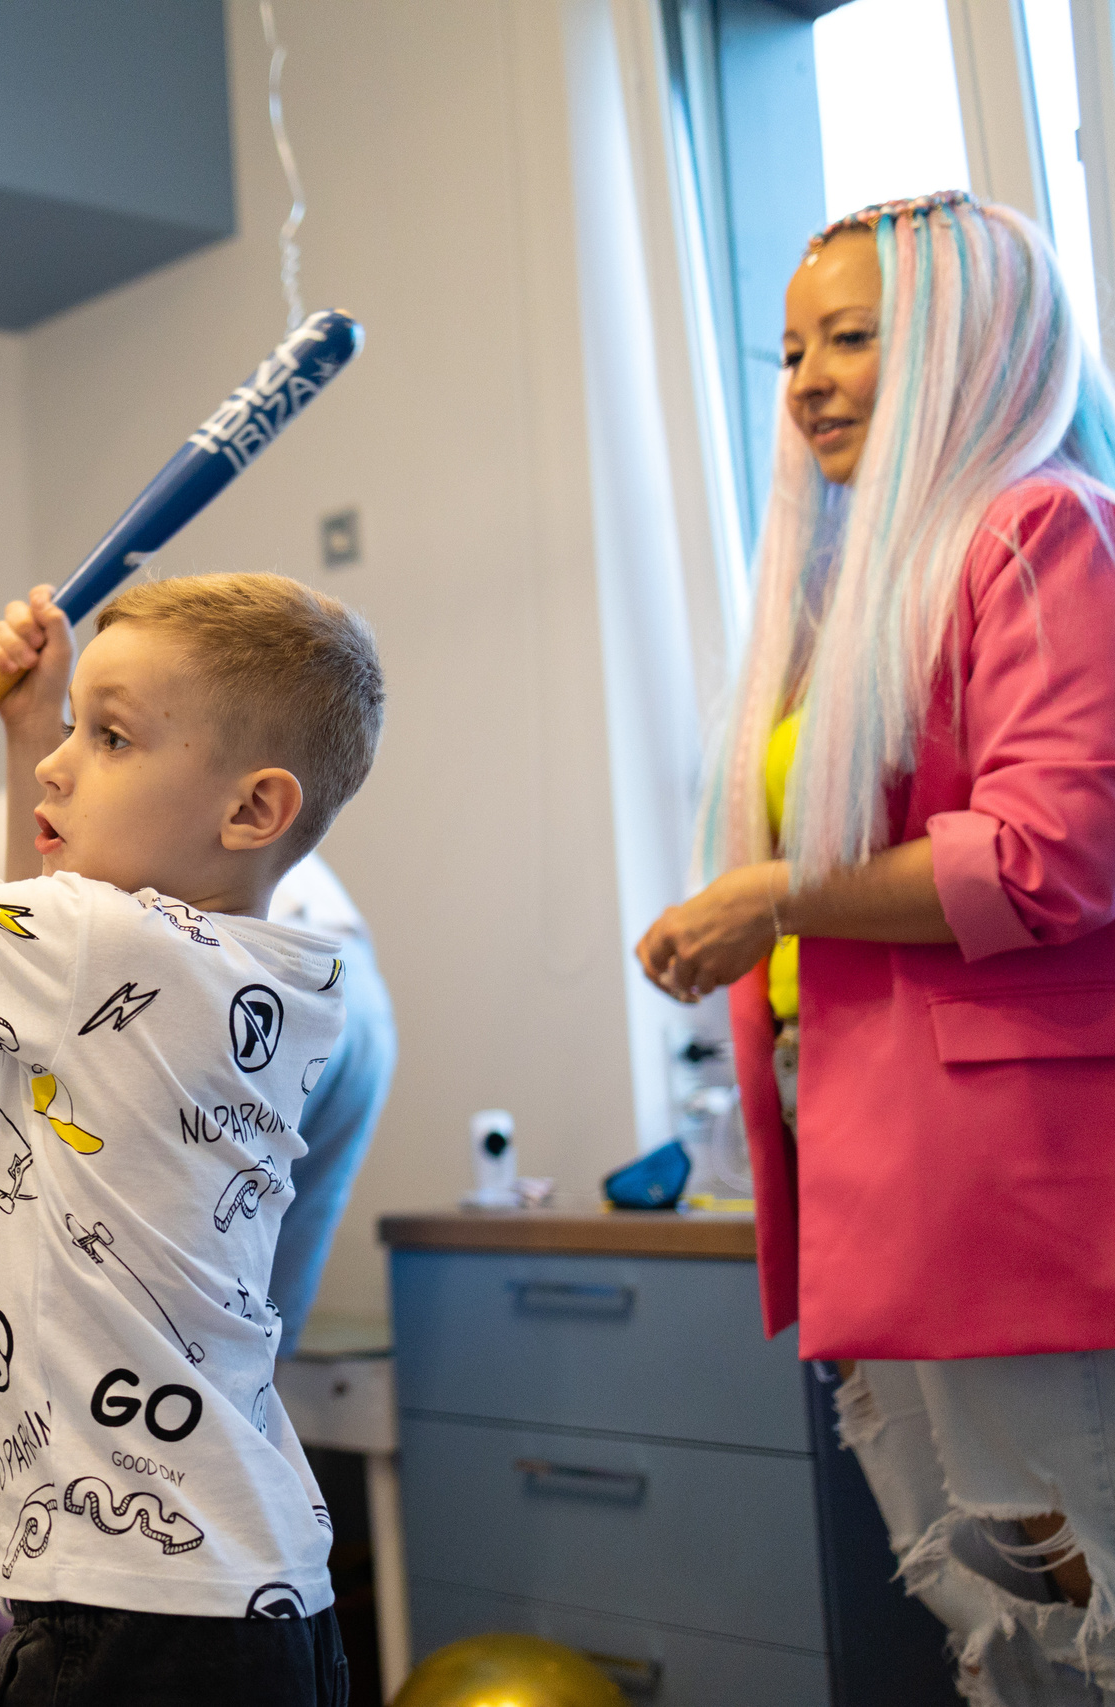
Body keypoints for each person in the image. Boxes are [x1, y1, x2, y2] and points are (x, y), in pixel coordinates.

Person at [636, 190, 1115, 1701]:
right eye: (792, 349)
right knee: (994, 1608)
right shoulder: (860, 590)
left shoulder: (1040, 528)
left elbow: (1052, 855)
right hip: (878, 1156)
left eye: (855, 338)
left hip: (1003, 1169)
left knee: (1080, 1590)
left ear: (976, 349)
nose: (811, 379)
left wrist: (776, 893)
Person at [0, 574, 382, 1704]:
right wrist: (29, 727)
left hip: (131, 1617)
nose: (63, 765)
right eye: (73, 729)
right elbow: (44, 963)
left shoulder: (93, 944)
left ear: (253, 810)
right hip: (257, 1597)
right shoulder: (265, 971)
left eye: (109, 737)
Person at [0, 796, 393, 1352]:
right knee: (253, 1330)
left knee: (154, 1341)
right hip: (335, 986)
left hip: (217, 979)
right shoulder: (11, 812)